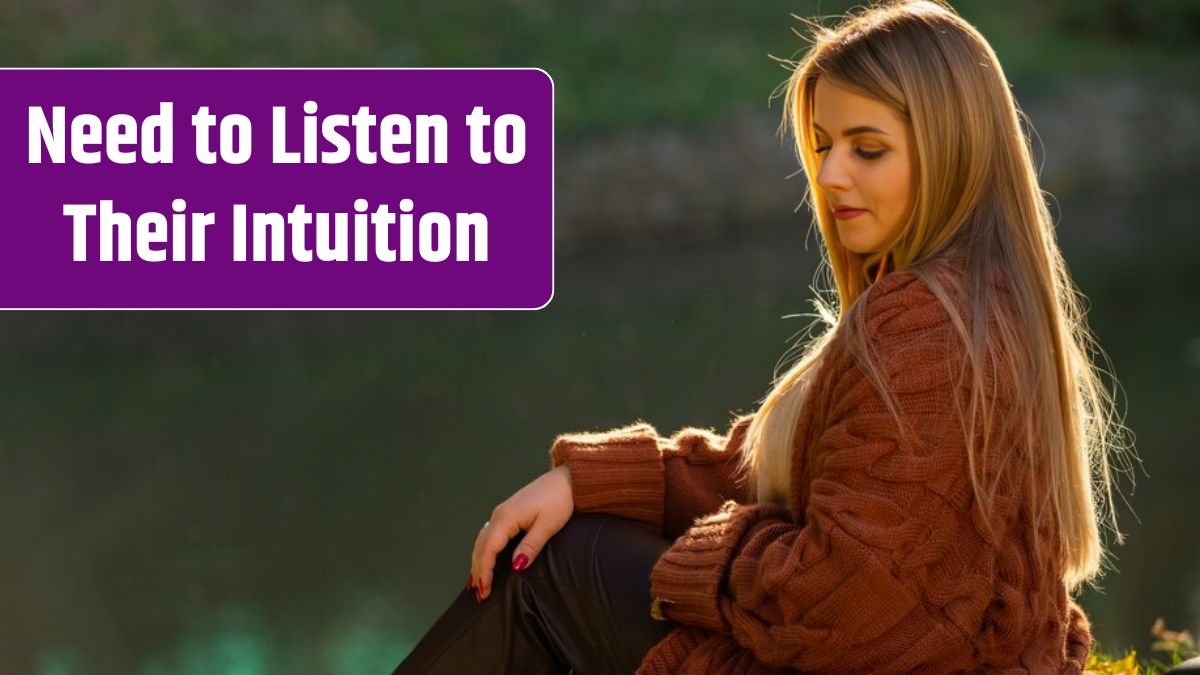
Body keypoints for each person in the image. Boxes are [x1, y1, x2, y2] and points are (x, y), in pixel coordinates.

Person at [392, 1, 1141, 672]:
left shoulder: (924, 329)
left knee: (557, 574)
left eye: (866, 148)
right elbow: (774, 473)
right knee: (574, 552)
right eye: (821, 144)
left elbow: (841, 605)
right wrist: (588, 482)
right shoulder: (975, 298)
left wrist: (711, 548)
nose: (831, 174)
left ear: (953, 151)